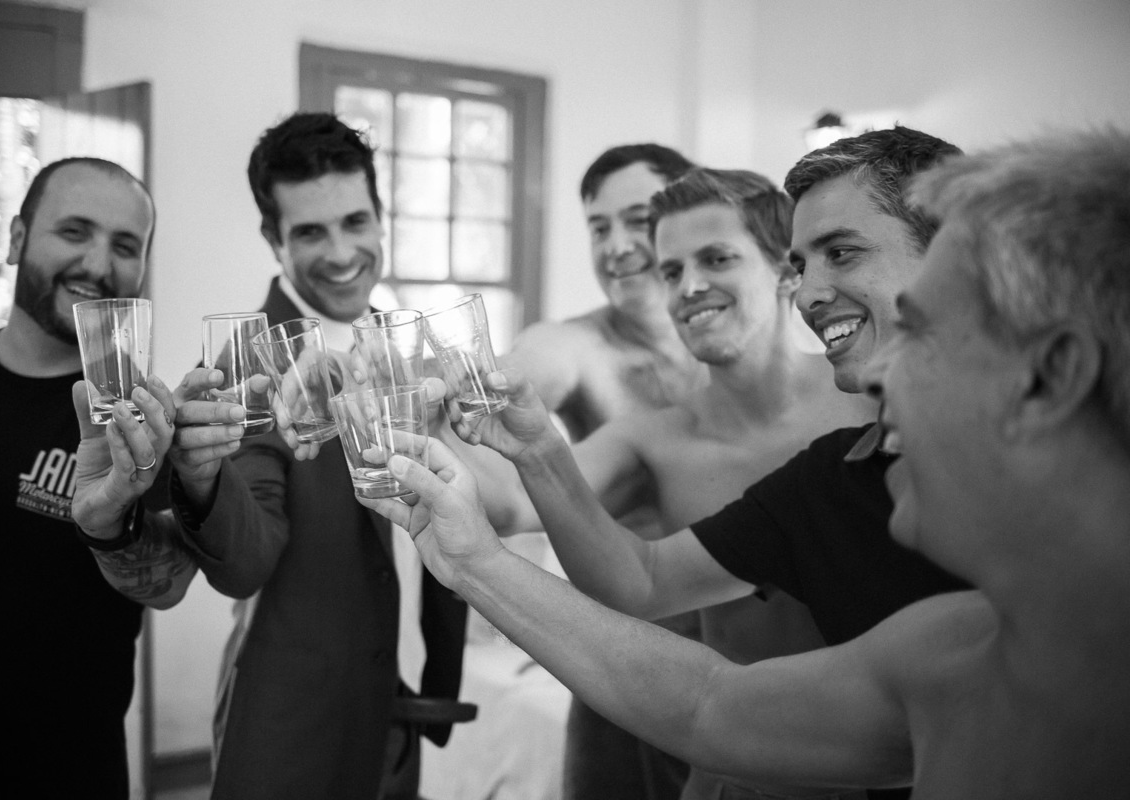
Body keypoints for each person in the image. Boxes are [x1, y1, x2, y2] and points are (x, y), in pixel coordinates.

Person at [364, 129, 1130, 798]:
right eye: (667, 267)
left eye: (919, 334)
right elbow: (706, 699)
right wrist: (478, 545)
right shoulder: (941, 649)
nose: (815, 294)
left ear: (1051, 374)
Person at [451, 127, 970, 799]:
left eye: (717, 258)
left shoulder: (888, 422)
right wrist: (469, 431)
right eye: (670, 270)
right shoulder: (819, 473)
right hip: (736, 755)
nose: (689, 286)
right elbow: (660, 620)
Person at [166, 112, 469, 800]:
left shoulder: (402, 341)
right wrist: (200, 476)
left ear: (380, 218)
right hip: (295, 723)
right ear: (273, 238)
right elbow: (246, 561)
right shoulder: (250, 363)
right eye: (310, 232)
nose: (341, 252)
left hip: (399, 709)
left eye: (355, 222)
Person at [0, 157, 200, 798]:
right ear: (18, 239)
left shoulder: (146, 422)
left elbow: (167, 586)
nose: (98, 264)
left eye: (125, 246)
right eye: (75, 232)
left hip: (70, 772)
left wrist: (110, 523)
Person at [496, 143, 710, 800]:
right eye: (598, 228)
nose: (615, 247)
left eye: (636, 220)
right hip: (627, 663)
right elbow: (503, 381)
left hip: (751, 659)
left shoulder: (739, 344)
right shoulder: (577, 345)